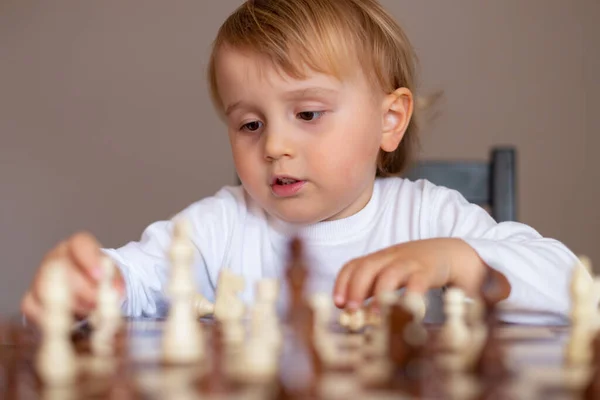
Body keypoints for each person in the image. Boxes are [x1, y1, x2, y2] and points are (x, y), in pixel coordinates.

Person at [21, 0, 581, 325]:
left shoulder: (428, 218)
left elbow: (572, 287)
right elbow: (139, 280)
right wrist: (89, 284)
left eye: (308, 113)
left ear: (390, 120)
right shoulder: (222, 225)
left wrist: (458, 260)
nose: (274, 147)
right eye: (250, 124)